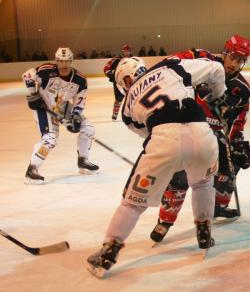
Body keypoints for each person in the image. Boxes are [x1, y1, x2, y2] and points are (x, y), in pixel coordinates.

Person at [86, 56, 226, 278]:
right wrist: (216, 96)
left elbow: (146, 133)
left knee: (133, 203)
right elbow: (216, 68)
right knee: (203, 183)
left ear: (124, 80)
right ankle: (203, 229)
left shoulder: (127, 107)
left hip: (164, 139)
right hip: (203, 133)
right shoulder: (171, 66)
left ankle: (109, 250)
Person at [148, 35, 250, 243]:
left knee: (230, 168)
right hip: (187, 128)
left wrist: (237, 142)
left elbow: (239, 118)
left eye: (240, 60)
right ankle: (165, 221)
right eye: (232, 57)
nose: (234, 64)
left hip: (214, 137)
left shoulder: (242, 89)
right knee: (179, 178)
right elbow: (173, 63)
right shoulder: (203, 63)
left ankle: (216, 207)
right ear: (224, 52)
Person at [22, 47, 99, 184]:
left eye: (67, 61)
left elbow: (80, 101)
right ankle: (32, 171)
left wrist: (75, 116)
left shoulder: (80, 80)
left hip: (61, 106)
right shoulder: (46, 70)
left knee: (88, 128)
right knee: (51, 138)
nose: (64, 65)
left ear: (71, 61)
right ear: (56, 61)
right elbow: (28, 75)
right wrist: (33, 94)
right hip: (43, 107)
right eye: (61, 61)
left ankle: (83, 161)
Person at [103, 44, 133, 121]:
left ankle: (131, 114)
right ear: (122, 51)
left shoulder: (133, 59)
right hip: (118, 83)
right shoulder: (116, 59)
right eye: (125, 51)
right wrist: (113, 75)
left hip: (131, 82)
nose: (126, 53)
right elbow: (106, 68)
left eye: (128, 51)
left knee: (132, 98)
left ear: (130, 51)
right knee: (118, 99)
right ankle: (115, 114)